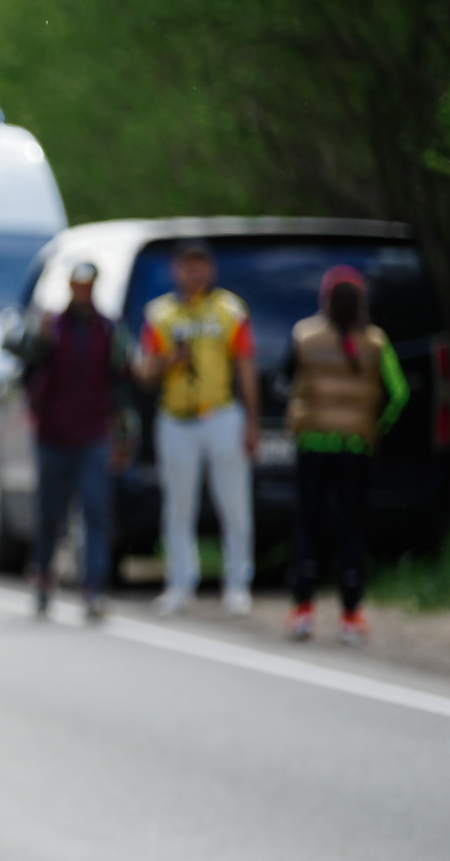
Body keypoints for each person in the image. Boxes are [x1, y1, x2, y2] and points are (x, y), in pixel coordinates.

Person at [282, 266, 405, 646]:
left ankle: (303, 609)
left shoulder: (305, 335)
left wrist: (300, 418)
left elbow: (287, 379)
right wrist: (374, 426)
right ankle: (351, 615)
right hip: (355, 447)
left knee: (309, 524)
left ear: (325, 299)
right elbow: (398, 394)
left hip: (313, 444)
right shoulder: (376, 342)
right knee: (351, 528)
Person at [138, 242, 259, 616]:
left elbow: (245, 365)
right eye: (187, 266)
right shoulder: (160, 313)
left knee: (234, 504)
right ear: (176, 270)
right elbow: (144, 373)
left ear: (211, 269)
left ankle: (237, 584)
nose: (194, 273)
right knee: (178, 506)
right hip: (176, 418)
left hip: (221, 415)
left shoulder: (230, 310)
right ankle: (180, 583)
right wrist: (168, 360)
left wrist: (252, 420)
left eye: (200, 266)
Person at [15, 261, 130, 619]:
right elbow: (24, 365)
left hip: (93, 433)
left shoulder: (109, 329)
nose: (83, 291)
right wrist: (38, 338)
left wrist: (123, 433)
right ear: (70, 287)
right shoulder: (51, 326)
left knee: (95, 509)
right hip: (52, 434)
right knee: (50, 512)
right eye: (78, 285)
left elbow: (121, 383)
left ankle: (93, 586)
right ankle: (43, 576)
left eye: (88, 285)